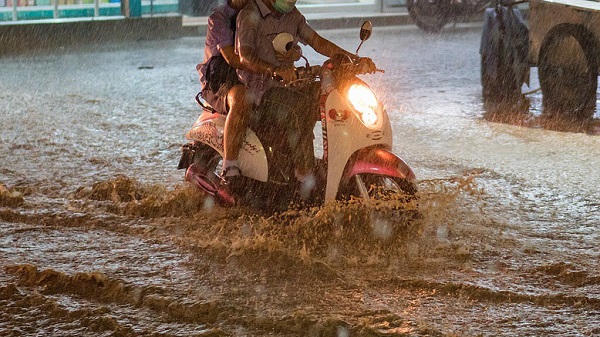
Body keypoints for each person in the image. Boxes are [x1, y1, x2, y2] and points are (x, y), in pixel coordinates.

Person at [235, 0, 375, 199]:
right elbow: (245, 56)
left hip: (290, 86)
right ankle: (304, 177)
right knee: (300, 107)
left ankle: (339, 163)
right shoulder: (249, 15)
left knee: (334, 96)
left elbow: (317, 41)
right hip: (261, 92)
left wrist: (352, 60)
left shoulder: (292, 15)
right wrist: (274, 71)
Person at [197, 0, 251, 188]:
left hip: (252, 74)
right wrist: (266, 67)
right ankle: (230, 166)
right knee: (241, 98)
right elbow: (231, 58)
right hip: (221, 79)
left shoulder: (260, 14)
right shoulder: (219, 18)